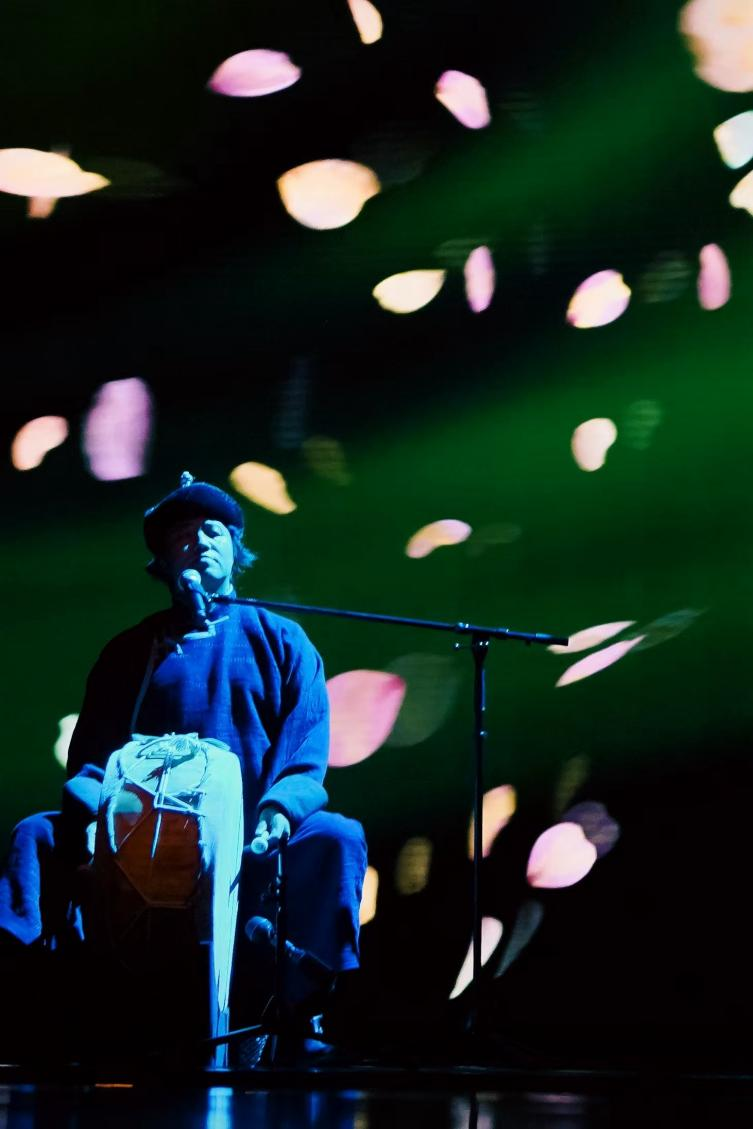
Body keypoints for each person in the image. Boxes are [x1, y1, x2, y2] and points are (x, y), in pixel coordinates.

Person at [0, 472, 367, 1063]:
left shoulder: (282, 640)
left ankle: (310, 1008)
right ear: (164, 562)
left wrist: (276, 813)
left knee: (337, 838)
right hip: (140, 838)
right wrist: (94, 815)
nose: (199, 542)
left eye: (213, 531)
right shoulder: (129, 653)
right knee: (35, 836)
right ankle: (24, 1002)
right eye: (182, 535)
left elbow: (305, 750)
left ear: (236, 550)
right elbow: (92, 759)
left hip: (251, 840)